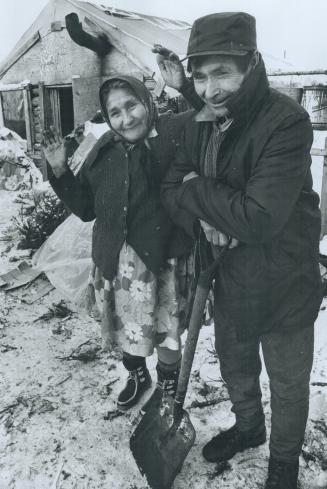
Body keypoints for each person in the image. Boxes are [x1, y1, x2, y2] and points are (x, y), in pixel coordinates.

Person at [156, 12, 323, 489]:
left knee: (288, 381)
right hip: (227, 275)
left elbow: (259, 218)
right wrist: (207, 219)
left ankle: (284, 463)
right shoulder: (198, 123)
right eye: (201, 76)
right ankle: (249, 428)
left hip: (283, 280)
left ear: (252, 64)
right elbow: (172, 188)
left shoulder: (286, 122)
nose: (211, 88)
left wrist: (200, 190)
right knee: (235, 365)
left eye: (223, 72)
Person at [42, 75, 195, 412]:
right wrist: (60, 170)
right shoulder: (103, 150)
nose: (126, 119)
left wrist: (184, 86)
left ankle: (168, 387)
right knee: (128, 329)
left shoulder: (171, 133)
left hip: (162, 261)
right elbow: (84, 209)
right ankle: (137, 375)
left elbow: (207, 115)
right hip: (118, 263)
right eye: (115, 113)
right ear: (107, 118)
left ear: (147, 102)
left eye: (131, 105)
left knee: (166, 333)